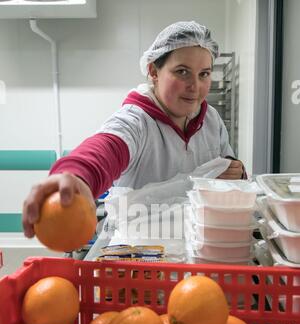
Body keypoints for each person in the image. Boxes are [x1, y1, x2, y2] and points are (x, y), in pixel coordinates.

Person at [23, 20, 245, 239]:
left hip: (198, 248)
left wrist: (236, 170)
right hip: (137, 255)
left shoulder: (211, 120)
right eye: (182, 72)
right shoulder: (137, 120)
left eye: (204, 74)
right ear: (154, 72)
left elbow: (225, 167)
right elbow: (108, 147)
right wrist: (75, 174)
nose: (195, 86)